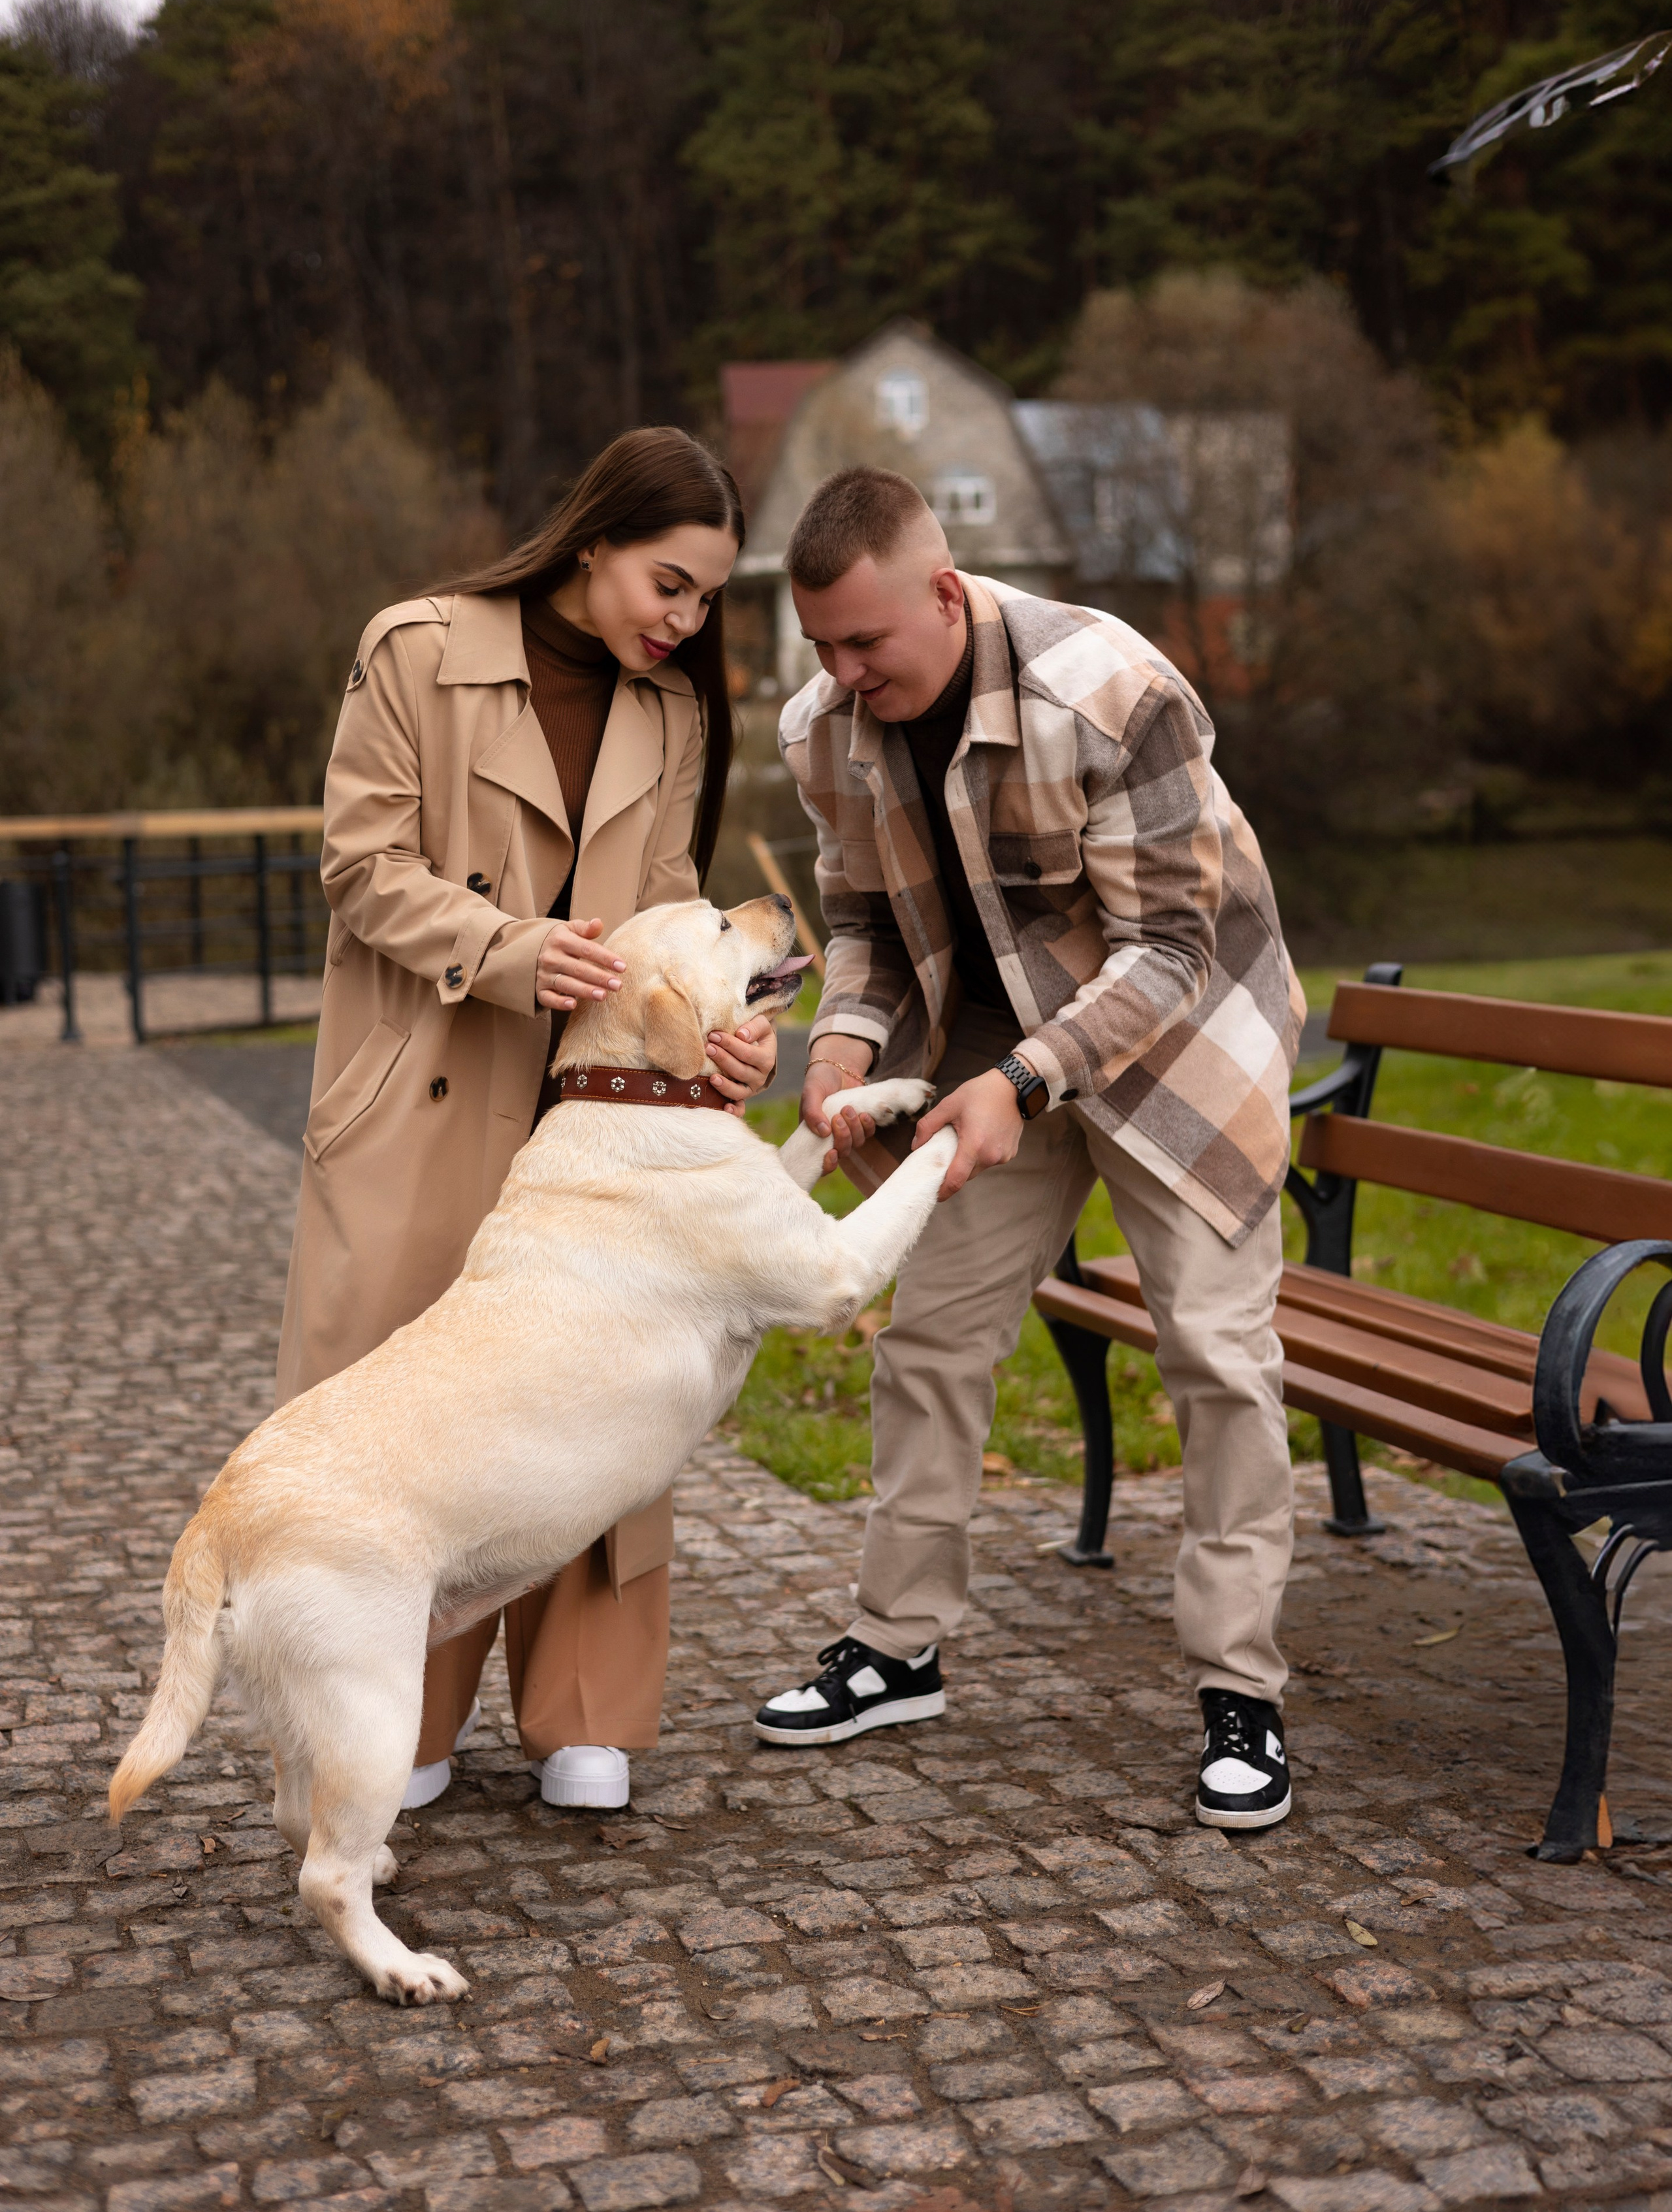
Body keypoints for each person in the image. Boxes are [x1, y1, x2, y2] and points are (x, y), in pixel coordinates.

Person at [752, 466, 1305, 1830]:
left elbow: (1171, 945)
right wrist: (839, 1038)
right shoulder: (824, 728)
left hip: (1177, 1048)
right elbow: (861, 920)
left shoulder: (1112, 690)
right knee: (929, 1341)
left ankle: (1241, 1690)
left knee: (1217, 1358)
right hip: (992, 1053)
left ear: (942, 593)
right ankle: (896, 1646)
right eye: (818, 645)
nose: (839, 672)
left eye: (863, 642)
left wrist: (1022, 1075)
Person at [277, 427, 779, 1815]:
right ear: (593, 540)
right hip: (420, 1091)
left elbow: (676, 909)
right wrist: (507, 946)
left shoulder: (670, 713)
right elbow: (358, 863)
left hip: (600, 1110)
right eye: (668, 586)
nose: (682, 625)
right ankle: (399, 1714)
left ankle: (586, 1706)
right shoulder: (417, 650)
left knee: (606, 1382)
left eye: (703, 603)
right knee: (398, 1407)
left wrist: (727, 1036)